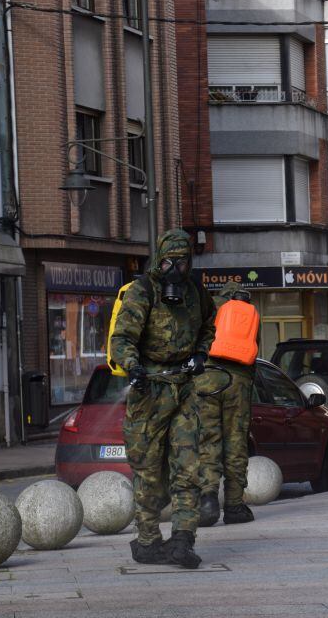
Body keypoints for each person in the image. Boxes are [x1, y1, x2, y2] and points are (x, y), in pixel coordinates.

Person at [110, 229, 216, 567]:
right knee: (149, 470)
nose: (176, 269)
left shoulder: (196, 291)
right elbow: (122, 337)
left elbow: (209, 326)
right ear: (160, 259)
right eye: (170, 261)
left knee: (188, 468)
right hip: (150, 390)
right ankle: (147, 541)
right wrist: (133, 366)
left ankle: (183, 540)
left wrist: (200, 353)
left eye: (183, 262)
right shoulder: (143, 291)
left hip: (184, 387)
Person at [198, 281, 257, 528]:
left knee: (207, 439)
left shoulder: (209, 308)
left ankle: (207, 499)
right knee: (235, 442)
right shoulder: (250, 314)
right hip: (238, 382)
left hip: (206, 379)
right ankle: (234, 506)